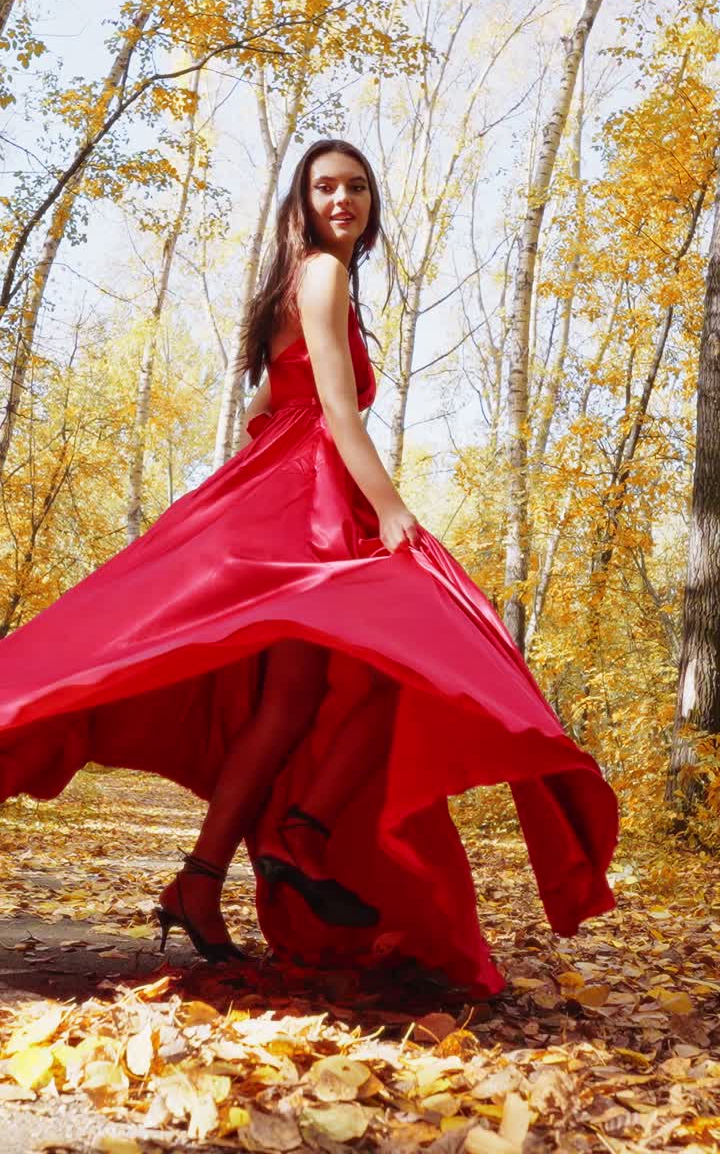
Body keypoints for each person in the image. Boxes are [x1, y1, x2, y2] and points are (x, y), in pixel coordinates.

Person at [0, 139, 619, 998]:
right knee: (405, 657)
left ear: (372, 202)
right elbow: (331, 407)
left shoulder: (312, 284)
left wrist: (275, 477)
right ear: (303, 202)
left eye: (357, 186)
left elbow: (266, 407)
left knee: (300, 699)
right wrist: (390, 509)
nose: (343, 199)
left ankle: (206, 878)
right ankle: (301, 829)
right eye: (326, 186)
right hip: (312, 496)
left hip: (298, 488)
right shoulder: (323, 276)